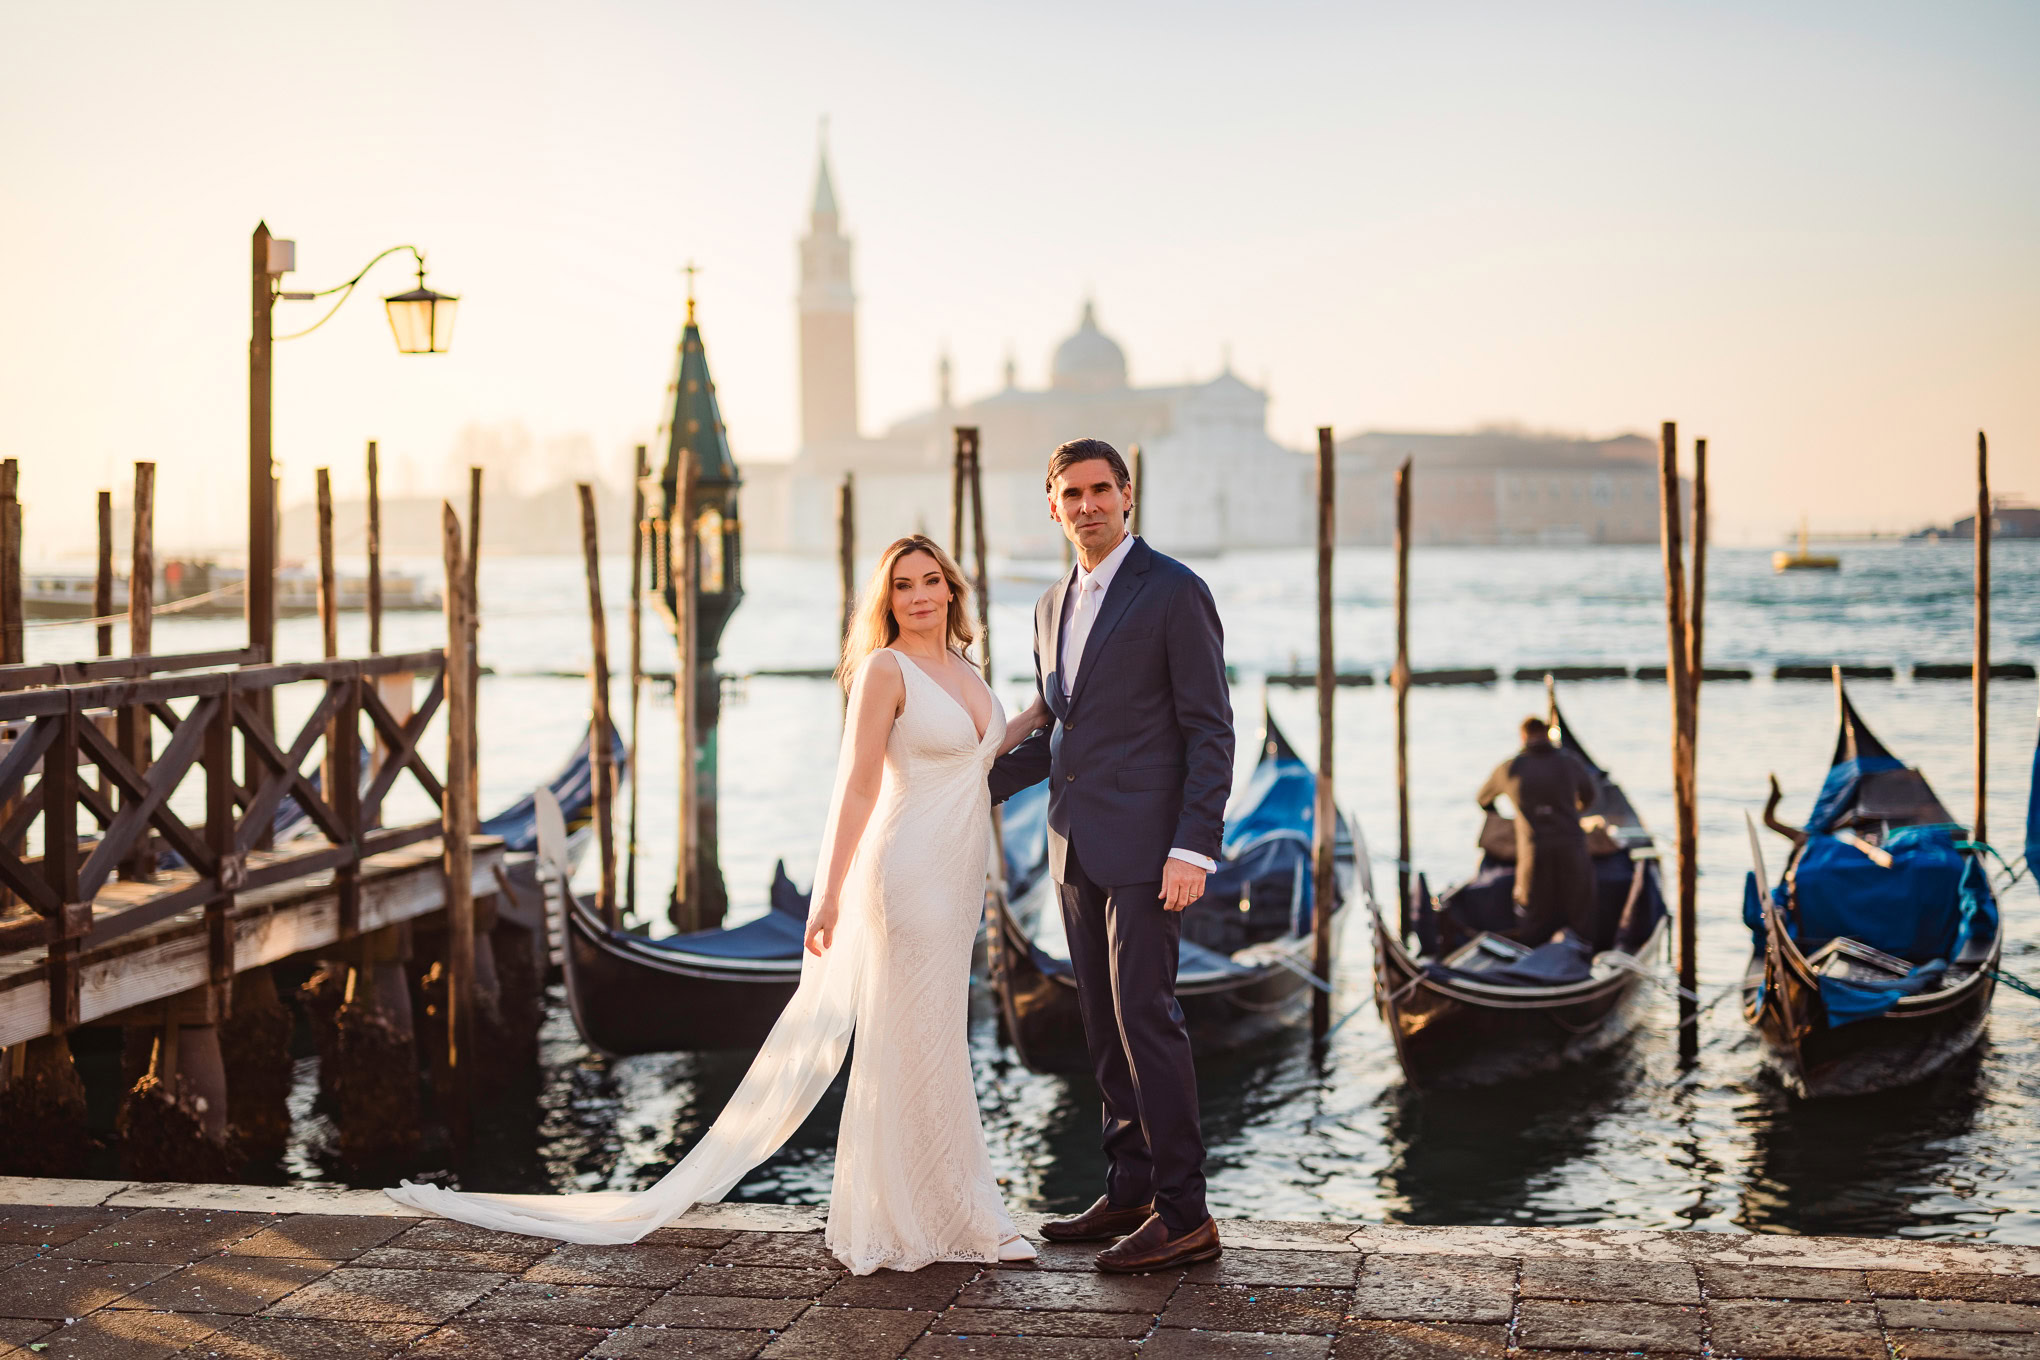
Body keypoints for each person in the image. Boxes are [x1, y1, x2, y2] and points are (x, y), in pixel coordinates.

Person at [389, 534, 1048, 1274]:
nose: (920, 595)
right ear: (886, 599)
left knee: (937, 1043)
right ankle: (916, 1220)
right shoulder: (884, 670)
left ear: (952, 590)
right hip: (903, 876)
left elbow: (982, 753)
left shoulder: (964, 669)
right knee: (910, 1045)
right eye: (903, 585)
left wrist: (1044, 711)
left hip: (958, 882)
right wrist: (827, 892)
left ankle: (951, 1209)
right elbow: (858, 786)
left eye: (932, 581)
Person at [989, 437, 1233, 1275]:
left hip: (1151, 849)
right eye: (1071, 494)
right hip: (1073, 848)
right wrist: (963, 785)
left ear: (1126, 496)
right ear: (1051, 506)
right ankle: (1128, 1188)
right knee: (1101, 1024)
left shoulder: (1174, 592)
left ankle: (1185, 1212)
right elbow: (1058, 734)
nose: (1087, 505)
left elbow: (1210, 731)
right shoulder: (1049, 605)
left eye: (1101, 489)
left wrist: (1194, 845)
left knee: (1146, 1020)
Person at [1477, 716, 1600, 943]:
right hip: (1572, 847)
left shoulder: (1510, 768)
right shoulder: (1570, 762)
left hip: (1533, 852)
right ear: (1547, 734)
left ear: (1523, 737)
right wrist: (1573, 811)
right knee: (1580, 910)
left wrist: (1510, 818)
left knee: (1534, 914)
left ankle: (1533, 963)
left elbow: (1483, 800)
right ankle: (1582, 957)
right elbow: (1590, 797)